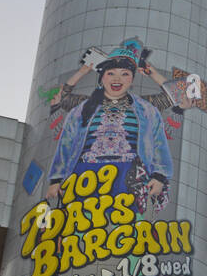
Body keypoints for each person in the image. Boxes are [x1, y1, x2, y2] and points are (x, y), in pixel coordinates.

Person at [45, 38, 178, 215]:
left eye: (125, 74)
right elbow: (66, 142)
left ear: (132, 79)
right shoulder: (83, 106)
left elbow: (159, 139)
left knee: (126, 234)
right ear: (102, 77)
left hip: (129, 177)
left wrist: (159, 176)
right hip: (84, 176)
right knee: (79, 229)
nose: (117, 79)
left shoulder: (146, 108)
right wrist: (56, 179)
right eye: (111, 73)